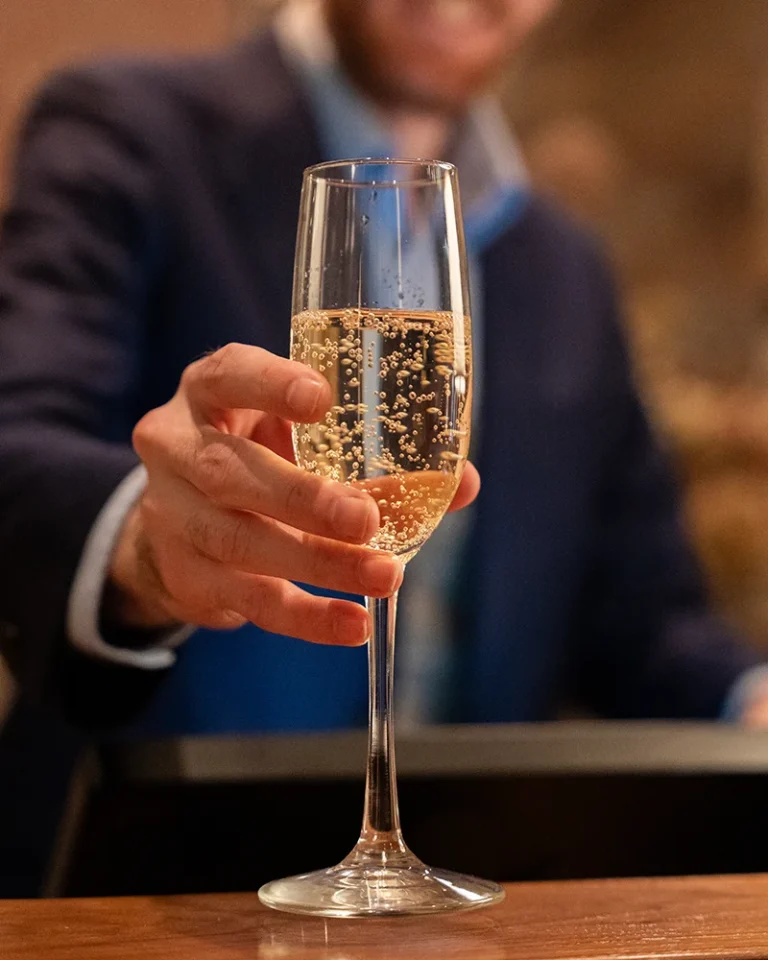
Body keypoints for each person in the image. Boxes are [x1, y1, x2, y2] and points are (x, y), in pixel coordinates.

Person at [0, 0, 766, 736]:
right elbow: (18, 439)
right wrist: (144, 545)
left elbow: (637, 616)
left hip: (467, 855)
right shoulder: (127, 131)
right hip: (158, 851)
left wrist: (749, 698)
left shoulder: (564, 264)